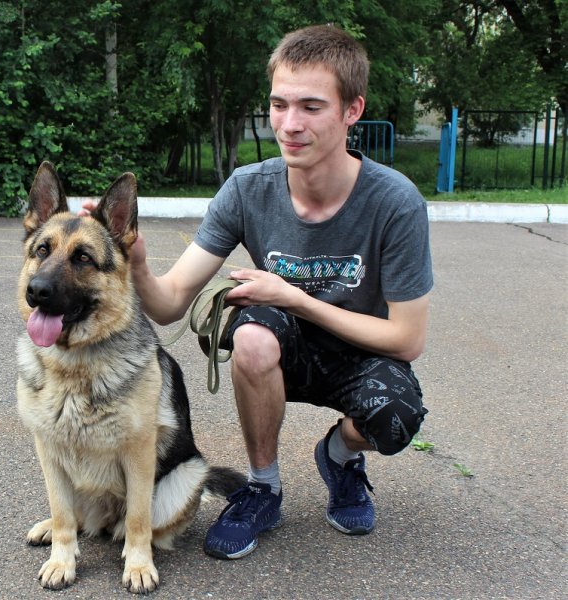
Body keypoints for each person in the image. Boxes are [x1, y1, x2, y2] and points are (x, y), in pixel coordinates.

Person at [82, 24, 432, 560]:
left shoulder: (395, 201)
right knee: (251, 337)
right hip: (281, 349)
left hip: (360, 354)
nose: (290, 125)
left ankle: (338, 456)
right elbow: (171, 300)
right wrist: (140, 268)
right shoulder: (248, 188)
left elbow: (407, 340)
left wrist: (293, 296)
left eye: (312, 107)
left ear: (352, 110)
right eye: (279, 104)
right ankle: (263, 487)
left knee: (397, 417)